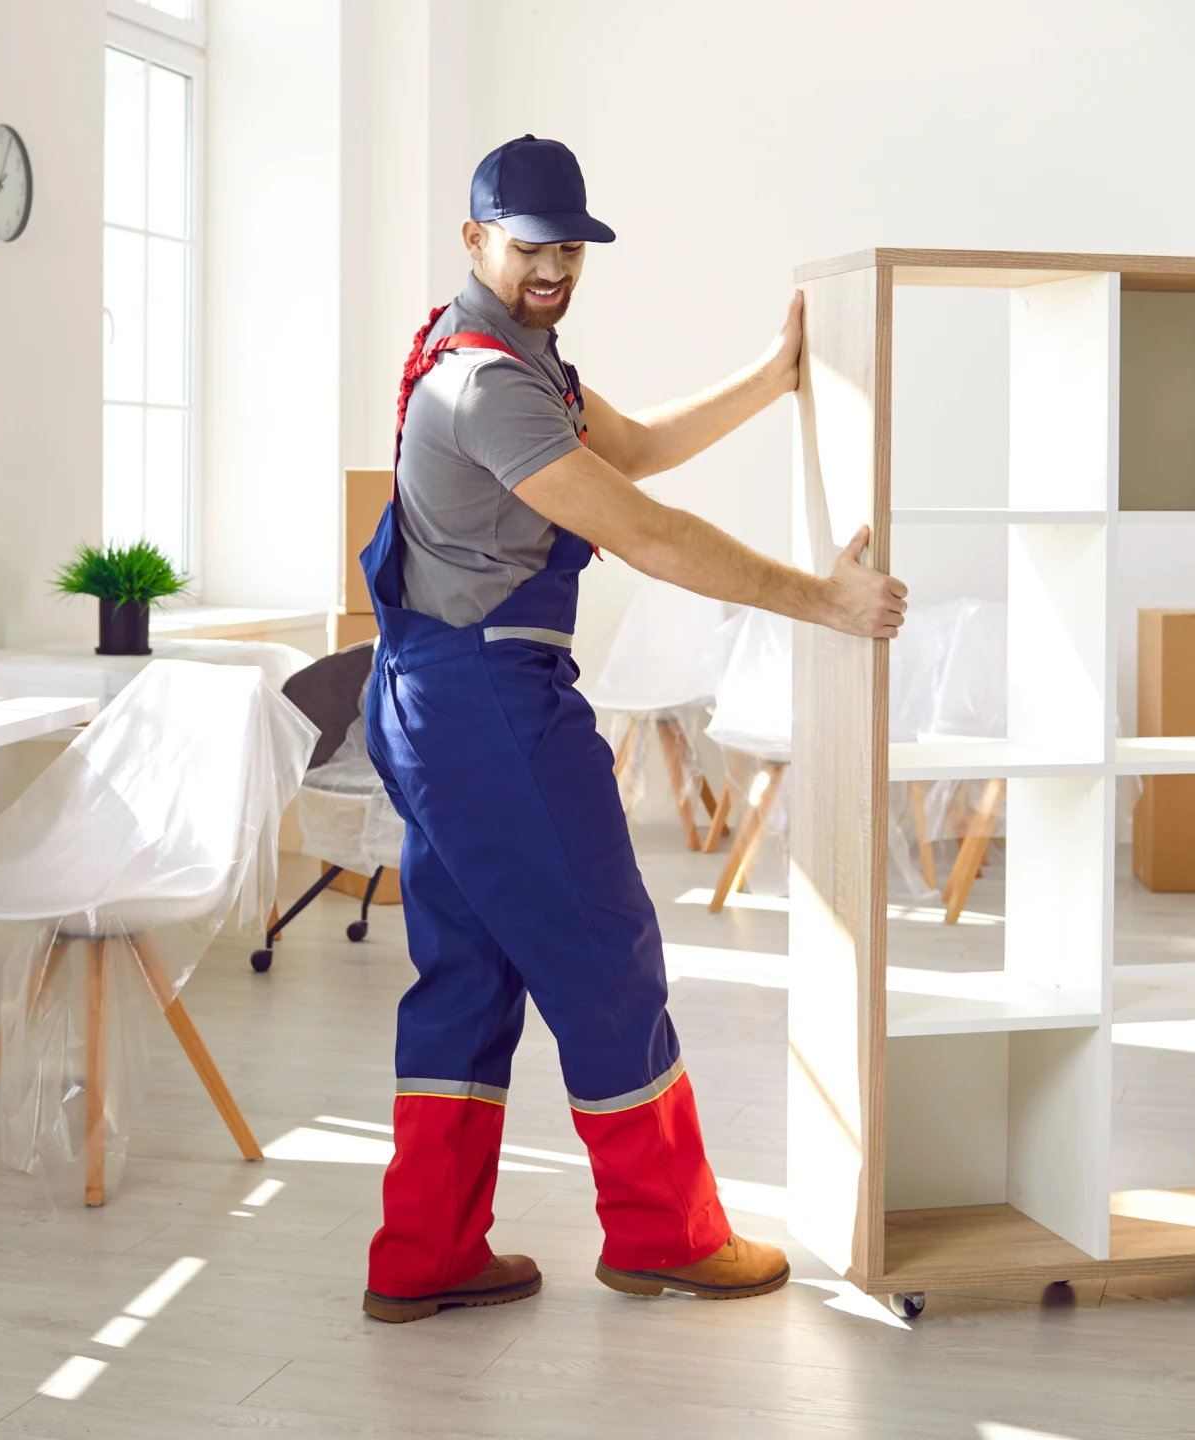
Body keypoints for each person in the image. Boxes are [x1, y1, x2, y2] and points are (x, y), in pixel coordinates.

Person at [355, 134, 909, 1323]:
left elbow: (639, 445)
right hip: (489, 705)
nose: (554, 265)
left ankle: (425, 1253)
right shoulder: (486, 385)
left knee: (467, 970)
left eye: (569, 246)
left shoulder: (500, 350)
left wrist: (771, 377)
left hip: (432, 697)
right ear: (474, 240)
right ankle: (664, 1234)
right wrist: (823, 601)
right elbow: (648, 529)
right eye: (530, 245)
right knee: (606, 956)